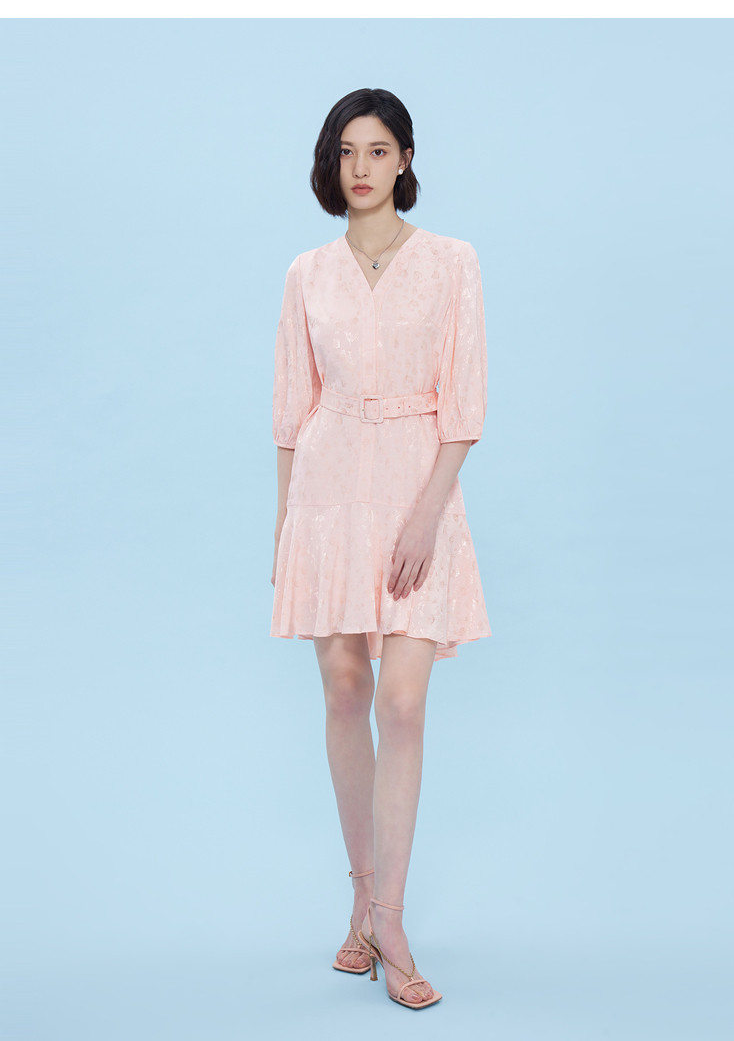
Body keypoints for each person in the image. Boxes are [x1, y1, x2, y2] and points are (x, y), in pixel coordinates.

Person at [270, 87, 491, 1009]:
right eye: (346, 151)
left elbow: (465, 405)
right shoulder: (305, 273)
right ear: (332, 164)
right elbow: (291, 413)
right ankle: (362, 900)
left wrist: (428, 511)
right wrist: (285, 532)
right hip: (325, 494)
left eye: (378, 149)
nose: (360, 167)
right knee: (342, 687)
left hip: (415, 491)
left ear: (405, 159)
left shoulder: (451, 262)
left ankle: (391, 919)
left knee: (401, 701)